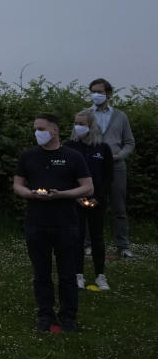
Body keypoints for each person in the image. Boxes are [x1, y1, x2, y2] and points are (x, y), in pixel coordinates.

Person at [13, 113, 93, 333]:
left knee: (67, 273)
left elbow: (88, 187)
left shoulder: (73, 156)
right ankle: (45, 314)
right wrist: (30, 194)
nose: (37, 133)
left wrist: (62, 195)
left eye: (41, 129)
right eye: (35, 129)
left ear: (55, 130)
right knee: (41, 273)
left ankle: (68, 317)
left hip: (65, 223)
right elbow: (17, 185)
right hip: (36, 222)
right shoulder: (28, 157)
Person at [65, 109, 114, 290]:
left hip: (97, 201)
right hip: (75, 200)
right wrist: (76, 195)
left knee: (97, 238)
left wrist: (99, 198)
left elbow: (108, 177)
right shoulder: (69, 146)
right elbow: (66, 175)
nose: (79, 127)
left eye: (82, 124)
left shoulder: (103, 148)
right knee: (76, 238)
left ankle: (100, 275)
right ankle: (78, 274)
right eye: (76, 123)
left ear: (91, 126)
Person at [88, 78, 136, 258]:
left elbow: (129, 143)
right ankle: (88, 245)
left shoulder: (120, 116)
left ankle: (123, 246)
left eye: (99, 92)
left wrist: (119, 156)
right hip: (92, 168)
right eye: (93, 91)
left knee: (119, 208)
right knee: (89, 205)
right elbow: (76, 140)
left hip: (116, 167)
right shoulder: (85, 115)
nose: (96, 95)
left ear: (108, 94)